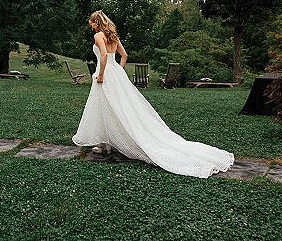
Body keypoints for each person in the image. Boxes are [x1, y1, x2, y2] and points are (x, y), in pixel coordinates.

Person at [72, 10, 234, 178]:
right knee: (114, 107)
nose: (90, 26)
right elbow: (124, 56)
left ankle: (105, 143)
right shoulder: (113, 36)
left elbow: (104, 56)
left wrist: (101, 75)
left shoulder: (99, 35)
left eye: (91, 23)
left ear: (96, 23)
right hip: (115, 75)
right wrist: (117, 70)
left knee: (105, 106)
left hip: (105, 75)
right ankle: (104, 143)